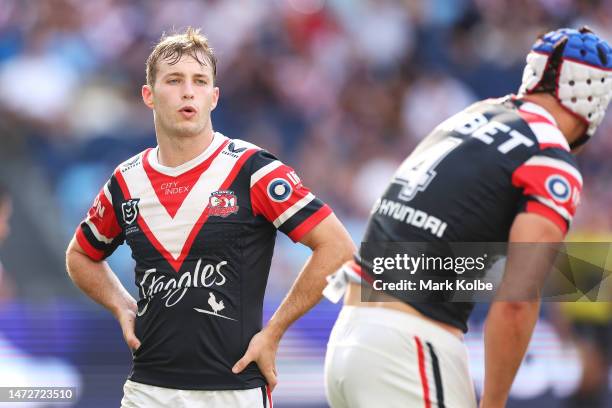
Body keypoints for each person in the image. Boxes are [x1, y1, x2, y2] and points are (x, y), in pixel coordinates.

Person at [65, 27, 355, 408]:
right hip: (147, 390)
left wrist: (274, 331)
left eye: (200, 81)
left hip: (233, 390)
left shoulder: (253, 169)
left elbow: (337, 248)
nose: (189, 91)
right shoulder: (126, 179)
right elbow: (80, 255)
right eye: (174, 80)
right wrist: (121, 304)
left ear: (214, 97)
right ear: (148, 95)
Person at [324, 27, 612, 408]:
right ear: (593, 96)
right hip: (409, 346)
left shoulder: (470, 117)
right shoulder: (548, 155)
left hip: (350, 339)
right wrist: (493, 402)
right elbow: (517, 298)